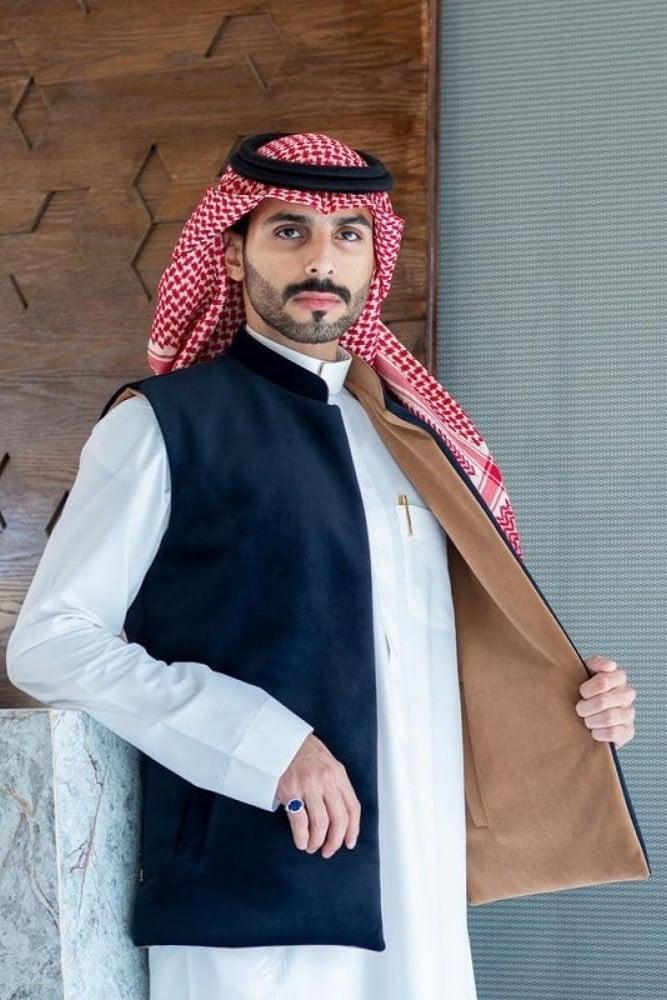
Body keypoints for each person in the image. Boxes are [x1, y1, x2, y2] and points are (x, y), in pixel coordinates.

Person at [6, 132, 646, 1000]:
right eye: (289, 231)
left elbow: (425, 655)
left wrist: (571, 703)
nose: (321, 259)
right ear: (232, 253)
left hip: (419, 892)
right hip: (256, 889)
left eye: (348, 234)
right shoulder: (164, 425)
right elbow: (50, 643)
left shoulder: (413, 441)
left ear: (373, 260)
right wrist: (264, 745)